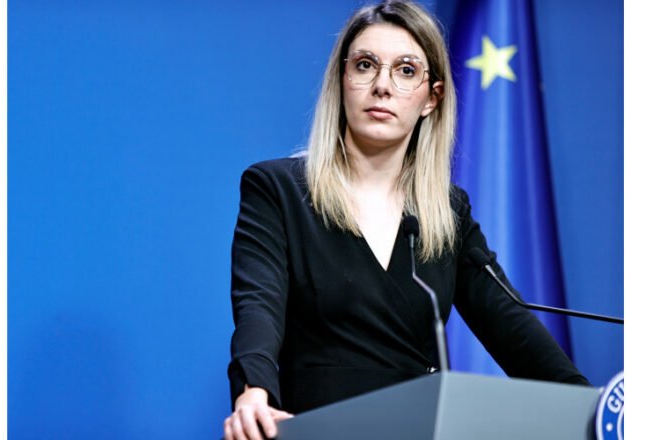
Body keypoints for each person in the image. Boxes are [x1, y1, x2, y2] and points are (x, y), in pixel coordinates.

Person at [223, 1, 589, 439]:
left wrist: (597, 409)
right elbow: (257, 307)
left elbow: (516, 332)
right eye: (365, 65)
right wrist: (254, 391)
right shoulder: (278, 189)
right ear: (342, 80)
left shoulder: (447, 214)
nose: (382, 86)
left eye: (406, 70)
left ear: (432, 98)